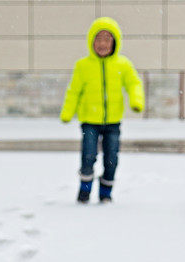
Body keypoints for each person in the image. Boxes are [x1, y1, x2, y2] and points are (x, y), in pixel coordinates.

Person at [60, 17, 144, 204]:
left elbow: (134, 83)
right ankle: (84, 191)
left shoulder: (123, 64)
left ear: (115, 42)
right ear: (91, 42)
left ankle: (106, 193)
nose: (102, 44)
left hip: (113, 122)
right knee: (88, 156)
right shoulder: (83, 66)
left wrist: (136, 100)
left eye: (107, 39)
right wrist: (67, 112)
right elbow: (73, 91)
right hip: (90, 121)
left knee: (111, 159)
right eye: (98, 39)